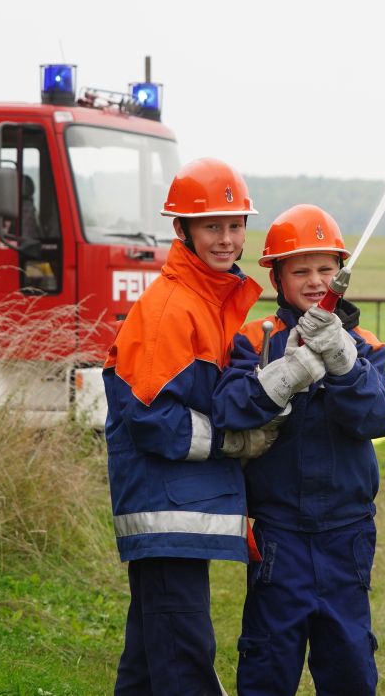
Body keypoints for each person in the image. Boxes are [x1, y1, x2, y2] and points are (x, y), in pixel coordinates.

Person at [103, 158, 297, 696]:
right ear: (182, 230)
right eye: (212, 226)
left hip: (176, 505)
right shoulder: (173, 308)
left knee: (149, 664)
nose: (226, 239)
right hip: (165, 508)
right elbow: (150, 419)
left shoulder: (209, 302)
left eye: (235, 225)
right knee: (185, 657)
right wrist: (234, 443)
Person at [214, 204, 385, 696]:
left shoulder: (365, 345)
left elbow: (376, 418)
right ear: (276, 276)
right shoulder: (255, 338)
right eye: (300, 271)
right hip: (279, 534)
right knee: (268, 663)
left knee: (349, 663)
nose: (316, 281)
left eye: (325, 269)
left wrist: (342, 362)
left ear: (341, 273)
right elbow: (228, 408)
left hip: (346, 532)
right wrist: (281, 377)